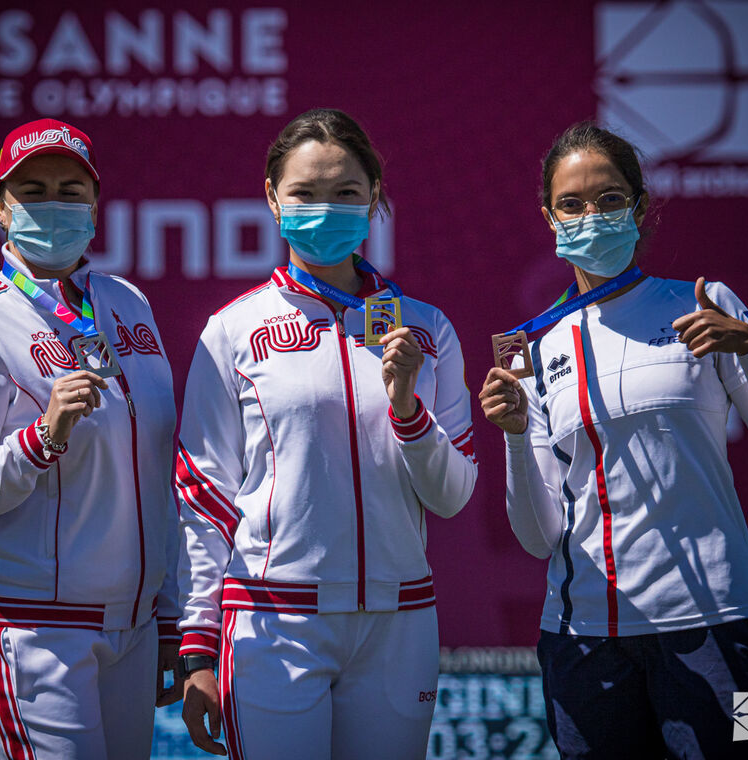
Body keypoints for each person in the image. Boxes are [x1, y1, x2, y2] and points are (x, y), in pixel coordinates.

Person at [479, 122, 748, 759]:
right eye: (572, 204)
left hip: (714, 622)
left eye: (610, 199)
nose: (592, 216)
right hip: (582, 637)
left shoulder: (703, 303)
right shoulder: (538, 346)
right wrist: (516, 436)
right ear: (549, 217)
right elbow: (536, 535)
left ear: (639, 207)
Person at [174, 108, 478, 760]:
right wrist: (197, 643)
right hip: (273, 622)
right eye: (305, 193)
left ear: (375, 197)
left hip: (400, 623)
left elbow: (452, 496)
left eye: (345, 193)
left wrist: (406, 410)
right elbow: (203, 497)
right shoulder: (232, 330)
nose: (326, 209)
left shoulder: (426, 330)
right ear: (271, 197)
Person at [0, 118, 182, 759]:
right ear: (1, 206)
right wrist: (40, 439)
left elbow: (156, 473)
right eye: (33, 190)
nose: (53, 205)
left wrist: (168, 613)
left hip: (132, 624)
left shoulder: (127, 303)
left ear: (95, 205)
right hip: (33, 628)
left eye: (71, 190)